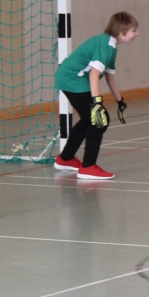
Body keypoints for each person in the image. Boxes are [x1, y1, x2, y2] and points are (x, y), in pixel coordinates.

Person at [54, 11, 138, 180]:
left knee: (88, 119)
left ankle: (66, 158)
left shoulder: (111, 47)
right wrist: (96, 103)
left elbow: (110, 78)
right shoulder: (106, 45)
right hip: (73, 79)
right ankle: (88, 167)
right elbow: (94, 74)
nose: (136, 34)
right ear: (121, 32)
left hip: (70, 78)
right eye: (133, 31)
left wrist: (119, 100)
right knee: (99, 121)